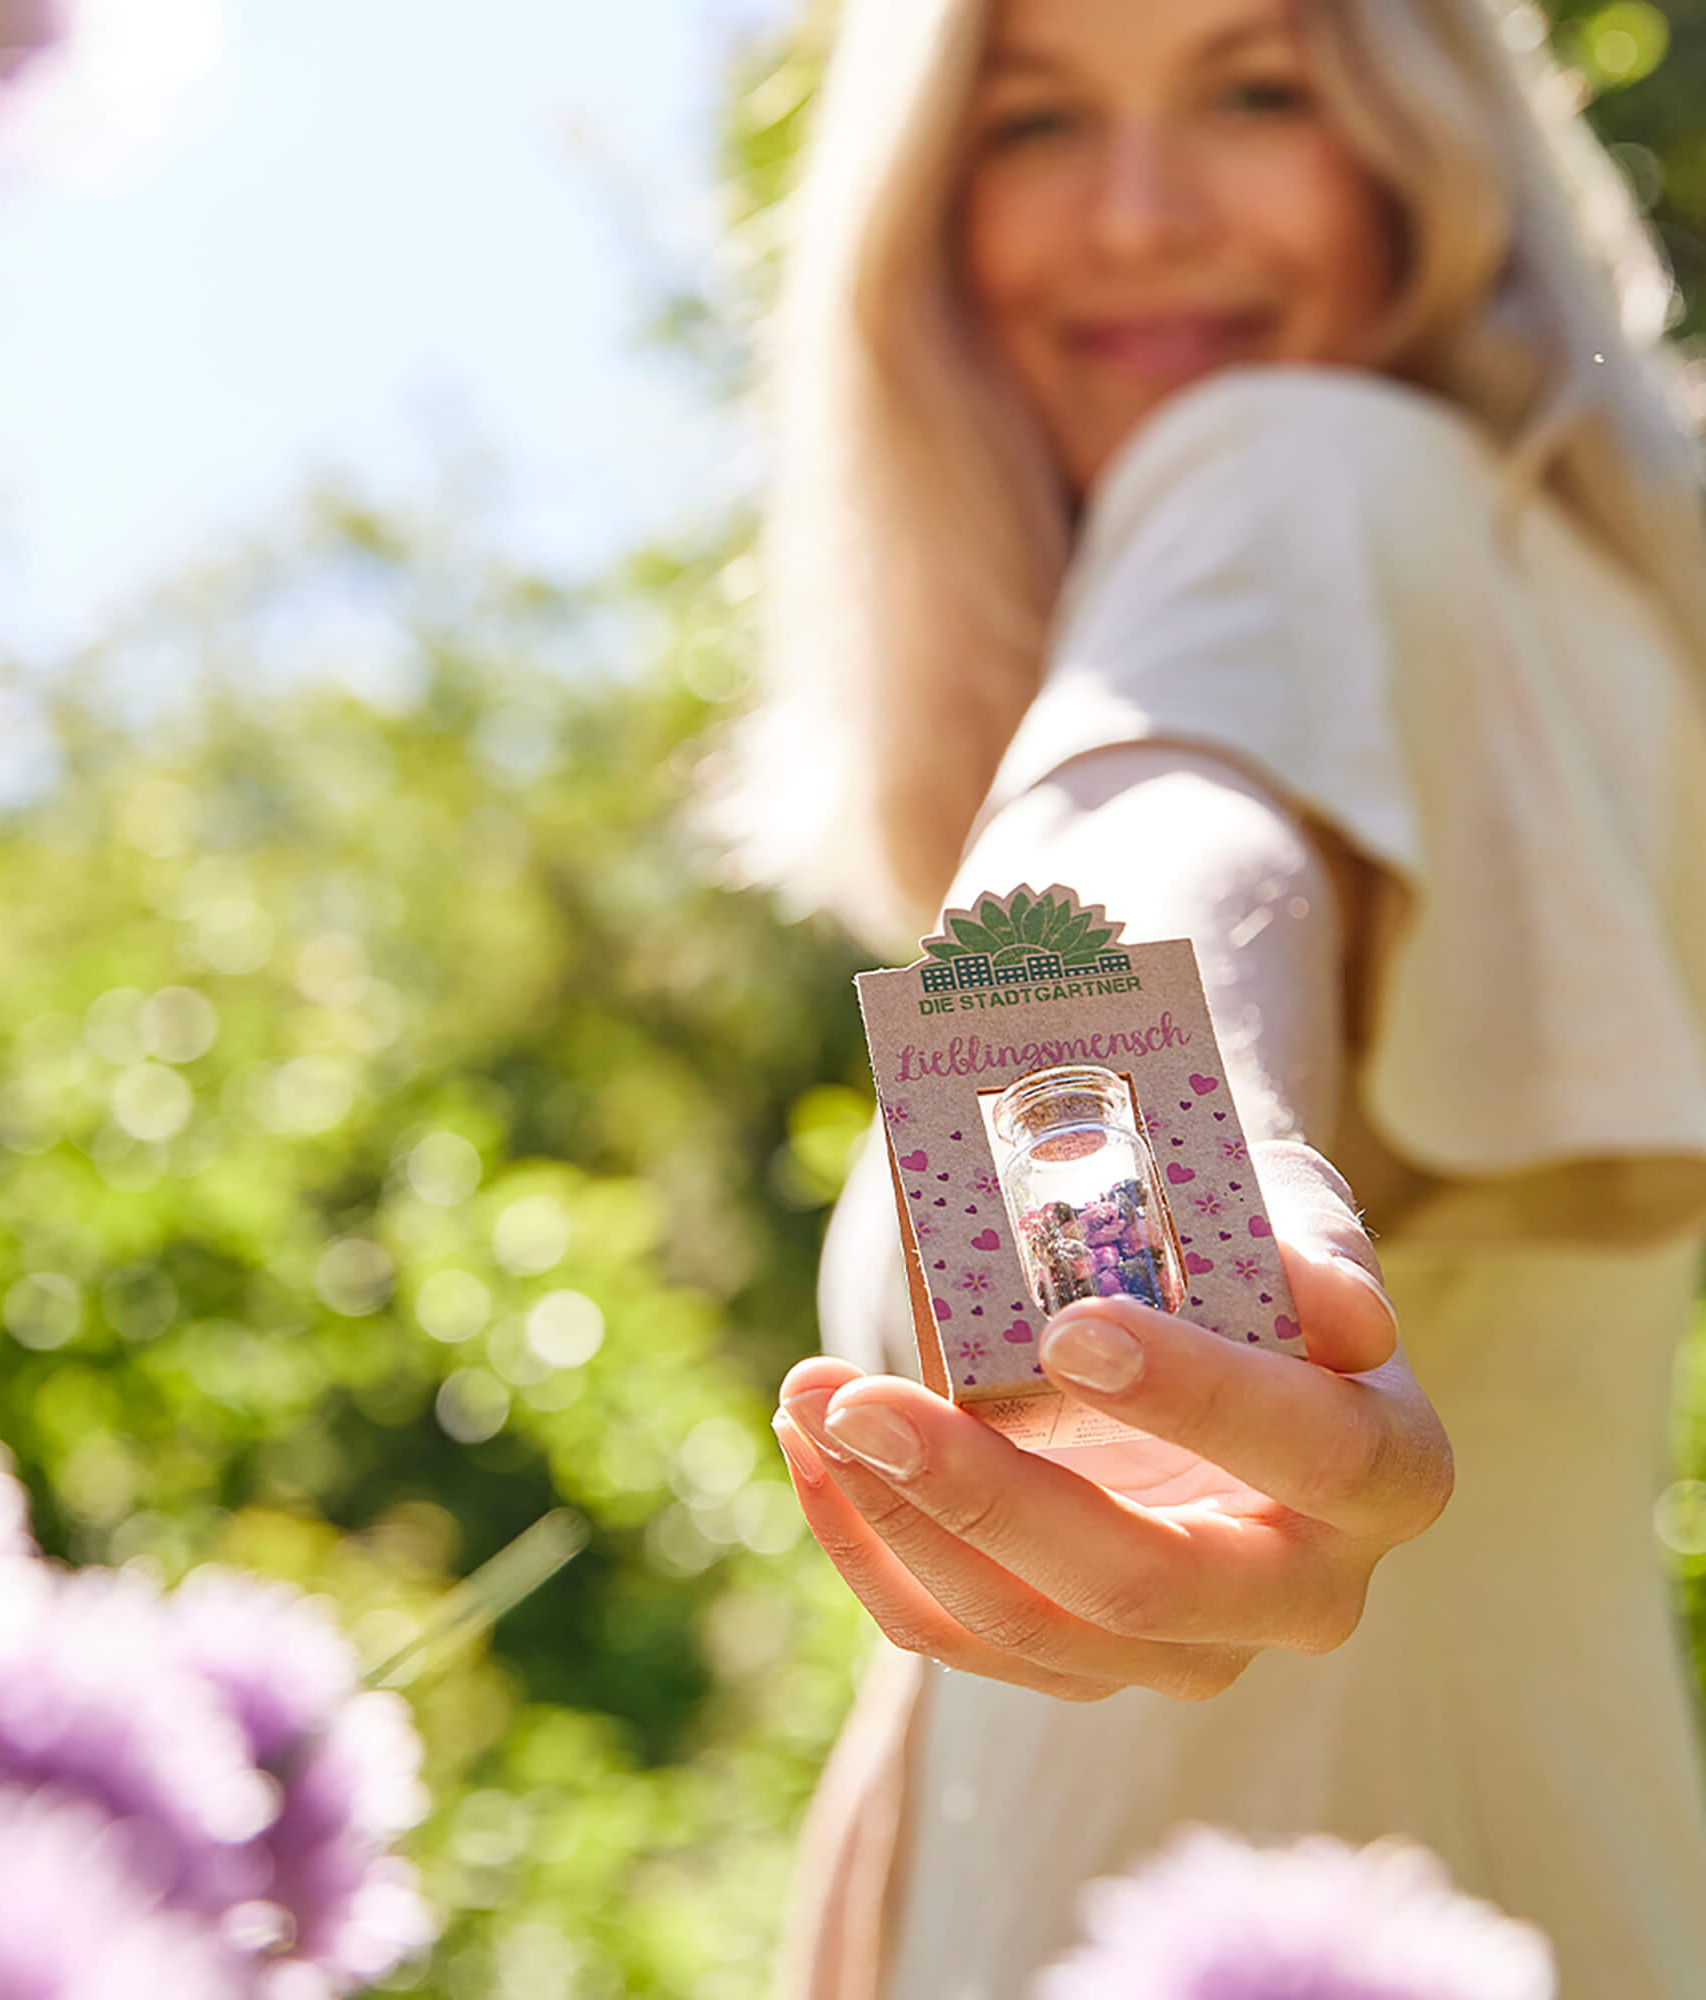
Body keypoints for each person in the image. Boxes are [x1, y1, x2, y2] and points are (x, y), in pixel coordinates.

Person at [723, 0, 1706, 1994]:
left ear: (1422, 148)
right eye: (1034, 124)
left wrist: (1105, 1210)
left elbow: (1157, 809)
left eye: (1255, 91)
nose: (1139, 215)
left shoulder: (1294, 464)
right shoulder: (1542, 600)